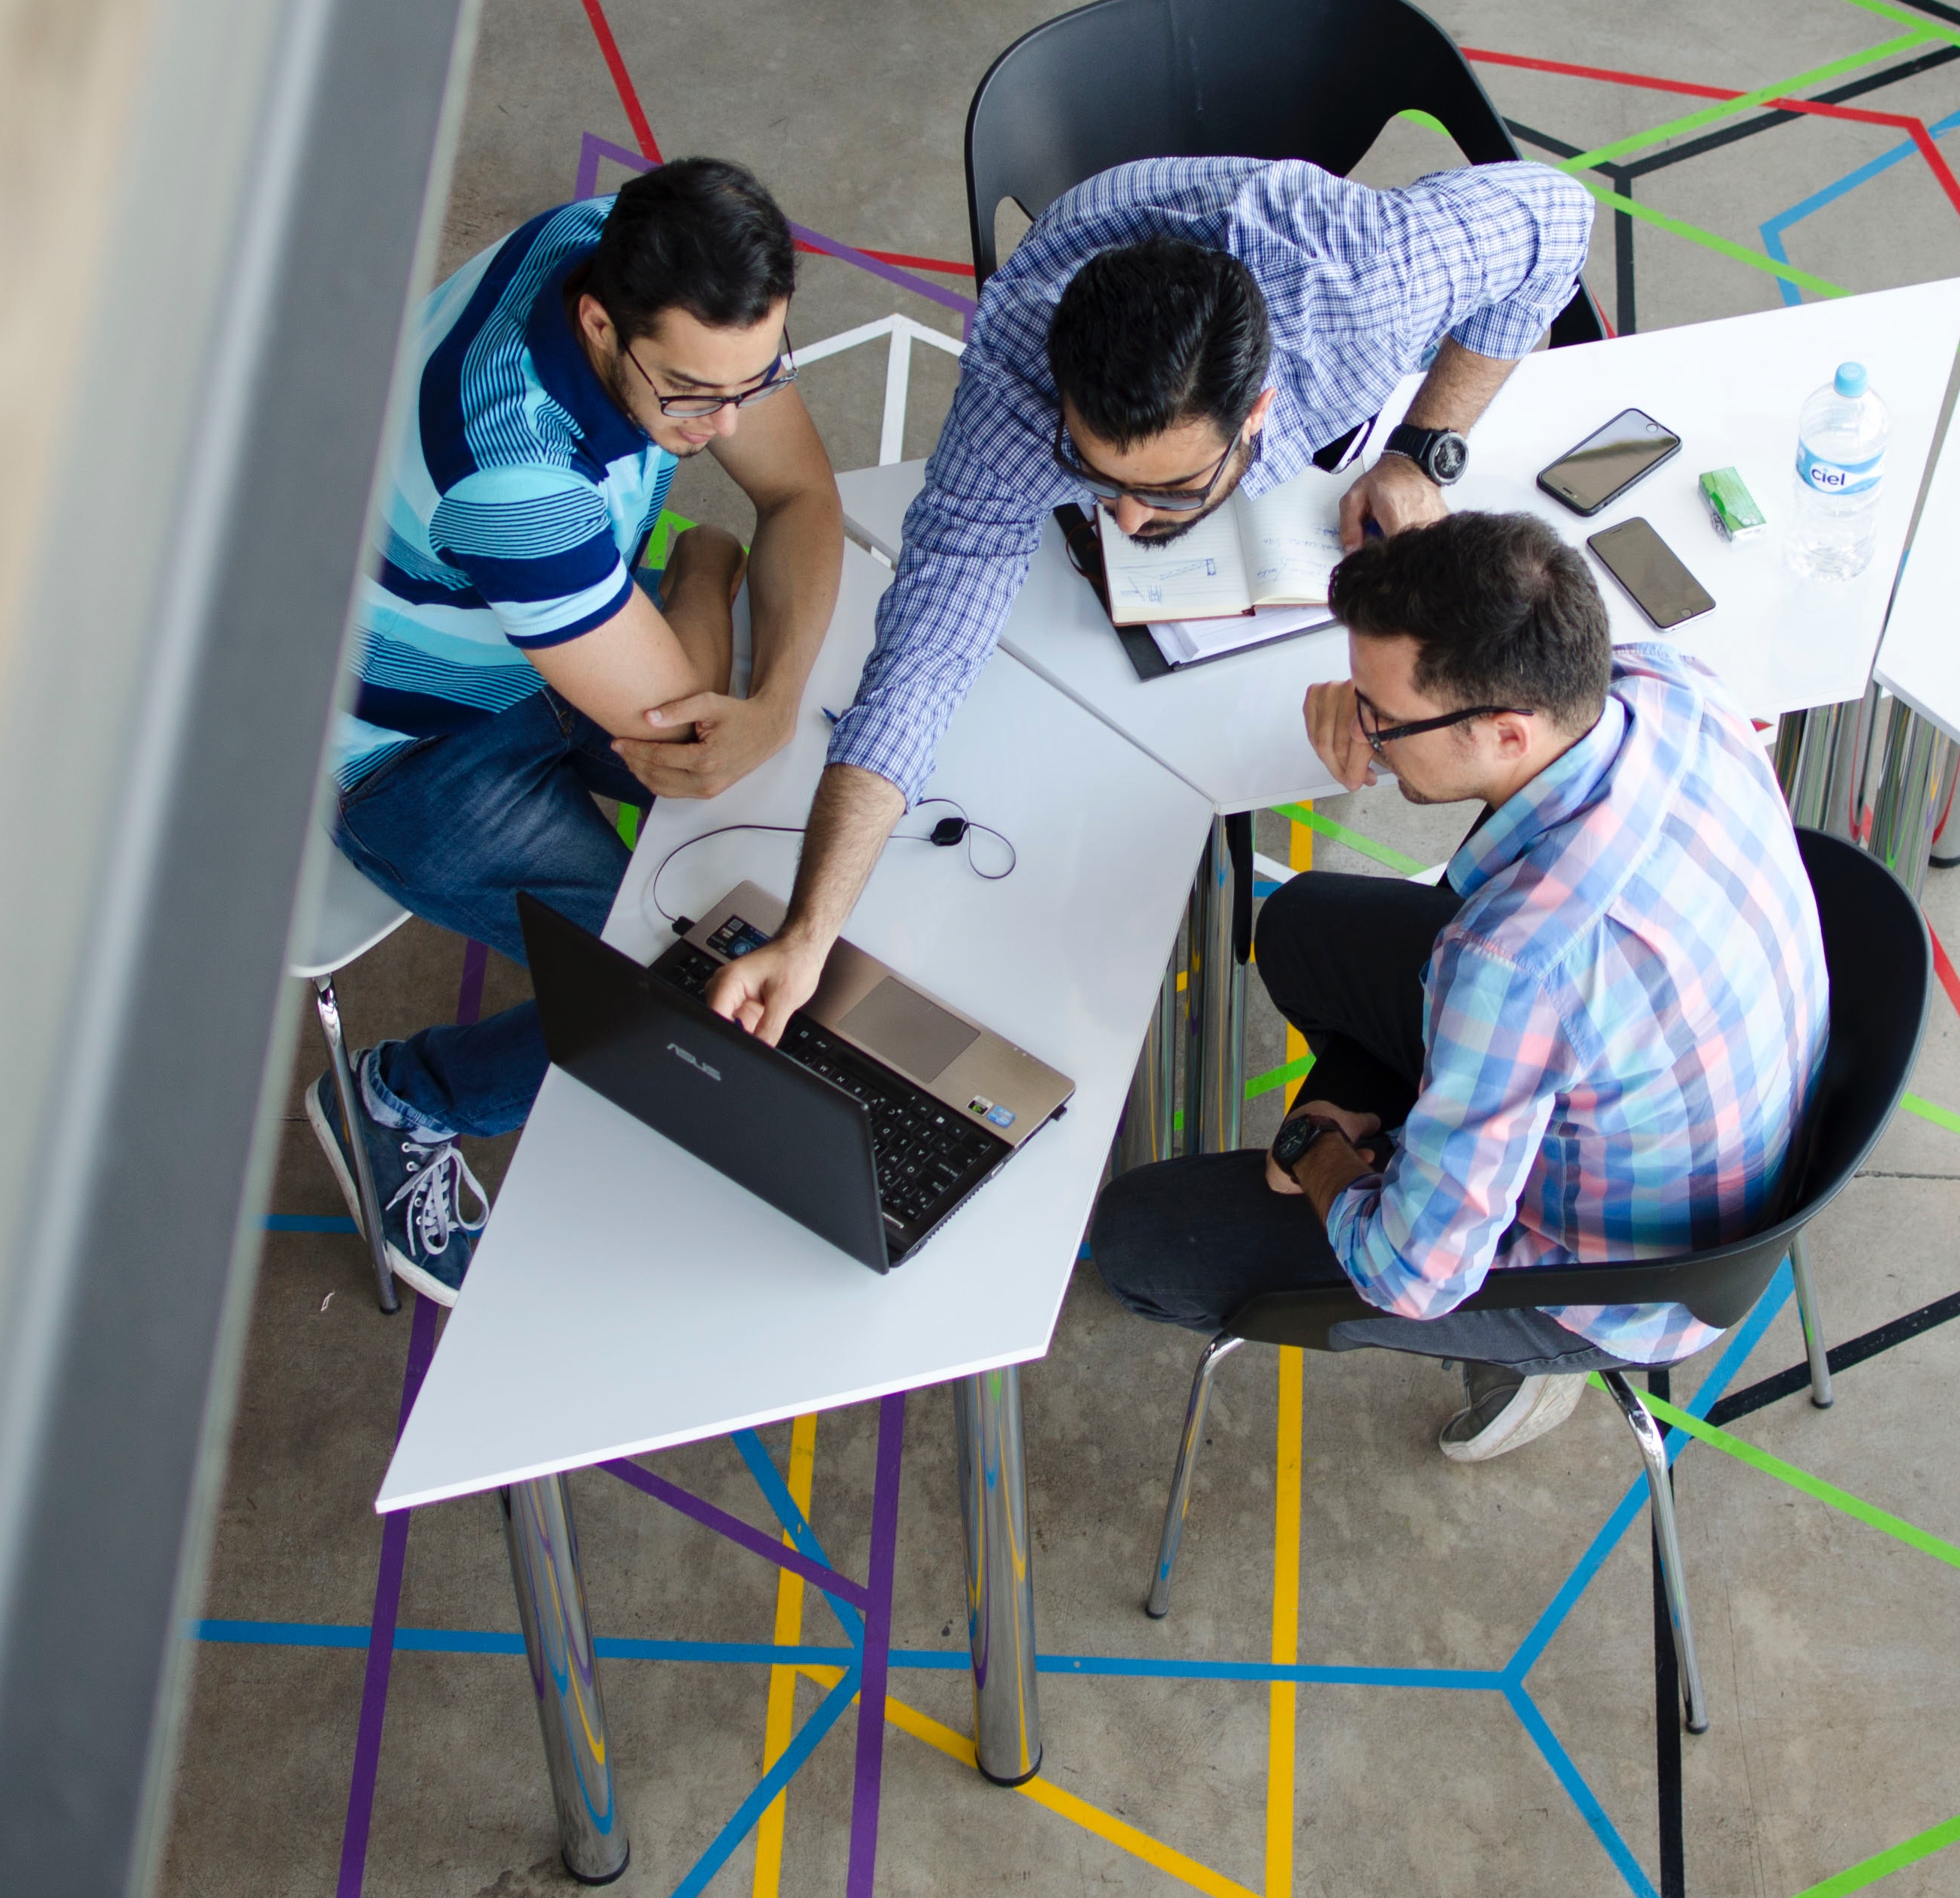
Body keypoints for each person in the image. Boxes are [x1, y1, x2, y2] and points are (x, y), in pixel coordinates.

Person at [700, 155, 1595, 1044]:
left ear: (1258, 413)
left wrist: (1423, 445)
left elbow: (1559, 218)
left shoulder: (1366, 286)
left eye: (1168, 491)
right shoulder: (1016, 386)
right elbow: (920, 662)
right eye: (1093, 474)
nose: (1125, 520)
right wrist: (809, 931)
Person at [1088, 513, 1830, 1461]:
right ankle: (1421, 1143)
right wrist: (1366, 702)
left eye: (1381, 718)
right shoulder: (1666, 686)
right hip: (1708, 1112)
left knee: (1140, 1237)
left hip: (1615, 1280)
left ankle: (1523, 1360)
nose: (1365, 732)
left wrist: (1317, 1145)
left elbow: (1410, 1273)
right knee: (1302, 927)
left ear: (1505, 730)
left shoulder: (1514, 961)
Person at [308, 158, 843, 1303]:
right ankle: (403, 1098)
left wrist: (776, 699)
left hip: (542, 636)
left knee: (777, 812)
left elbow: (801, 495)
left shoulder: (629, 249)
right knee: (661, 993)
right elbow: (692, 738)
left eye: (759, 380)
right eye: (694, 395)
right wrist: (706, 568)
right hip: (408, 748)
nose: (730, 423)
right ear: (600, 323)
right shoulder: (515, 477)